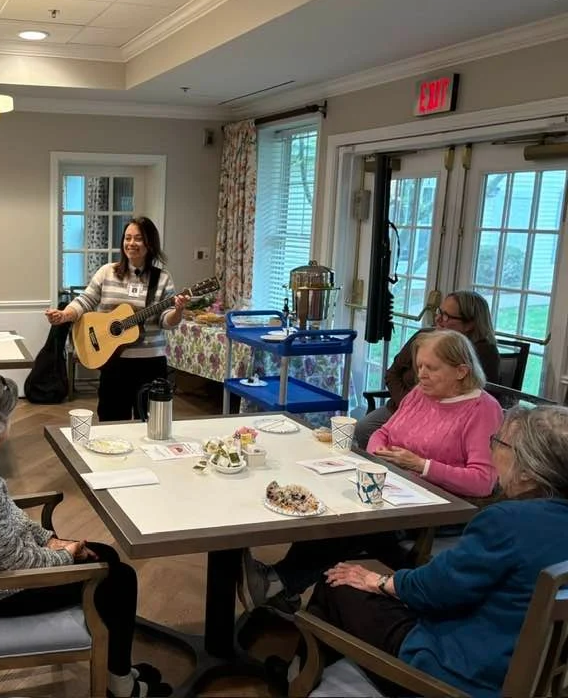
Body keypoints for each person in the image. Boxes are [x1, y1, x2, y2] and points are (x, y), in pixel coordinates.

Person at [0, 370, 171, 698]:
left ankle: (117, 670)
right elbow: (12, 559)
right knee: (119, 578)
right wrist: (63, 555)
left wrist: (46, 538)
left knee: (107, 557)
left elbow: (1, 516)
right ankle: (121, 685)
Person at [304, 404, 568, 698]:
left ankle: (301, 675)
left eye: (500, 442)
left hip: (456, 676)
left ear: (529, 472)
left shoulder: (508, 522)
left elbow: (436, 591)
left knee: (337, 582)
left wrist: (378, 581)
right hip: (525, 673)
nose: (492, 450)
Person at [240, 330, 503, 617]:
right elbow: (384, 432)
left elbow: (483, 481)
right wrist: (378, 452)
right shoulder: (421, 393)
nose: (422, 375)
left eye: (432, 368)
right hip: (391, 483)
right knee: (326, 498)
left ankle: (279, 583)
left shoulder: (482, 410)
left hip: (435, 508)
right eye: (420, 367)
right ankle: (282, 585)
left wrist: (421, 465)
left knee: (350, 519)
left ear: (461, 371)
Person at [45, 217, 189, 421]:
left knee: (149, 420)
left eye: (138, 238)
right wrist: (65, 315)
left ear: (150, 243)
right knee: (111, 419)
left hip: (150, 362)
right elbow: (86, 300)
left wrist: (178, 310)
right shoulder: (107, 272)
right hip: (113, 361)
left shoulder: (162, 278)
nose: (131, 243)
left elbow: (166, 320)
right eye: (127, 238)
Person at [354, 290, 500, 448]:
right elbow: (392, 374)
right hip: (402, 406)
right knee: (362, 431)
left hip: (444, 419)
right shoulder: (425, 338)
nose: (437, 318)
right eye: (439, 311)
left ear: (470, 324)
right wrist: (409, 406)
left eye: (447, 316)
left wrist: (422, 412)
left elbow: (473, 398)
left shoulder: (482, 354)